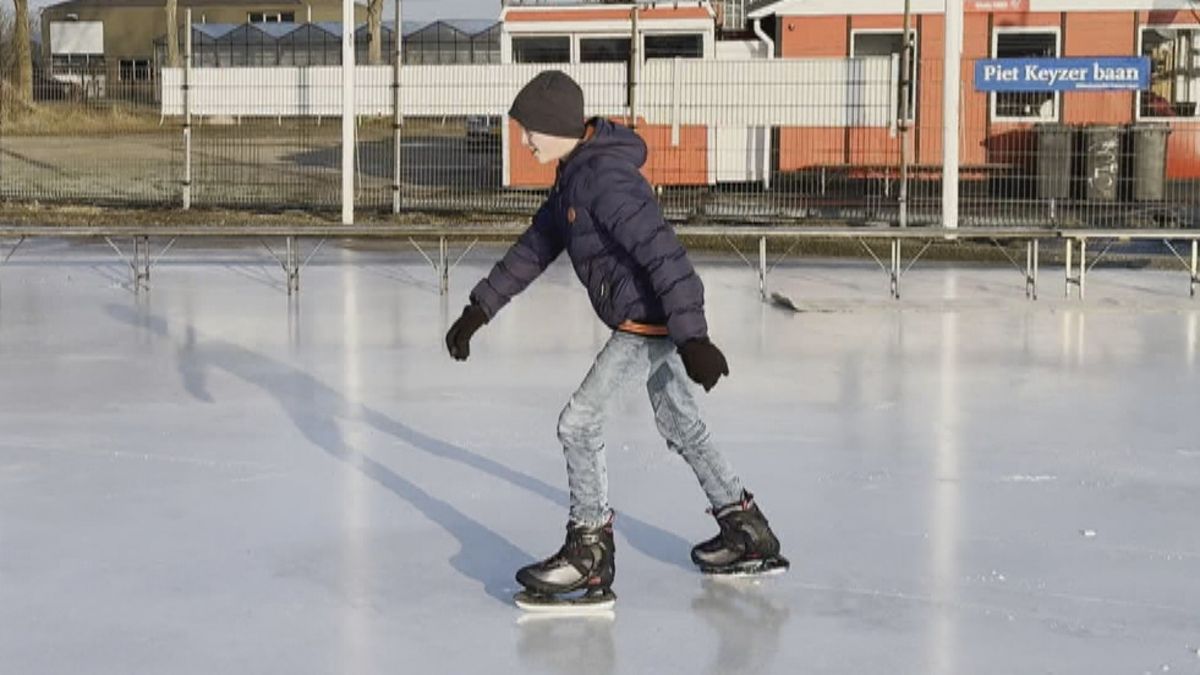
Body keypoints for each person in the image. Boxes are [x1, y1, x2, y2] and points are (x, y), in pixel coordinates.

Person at [445, 70, 787, 603]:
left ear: (558, 126)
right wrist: (479, 309)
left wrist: (693, 338)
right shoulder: (571, 180)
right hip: (644, 320)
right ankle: (747, 530)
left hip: (646, 324)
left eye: (531, 128)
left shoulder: (604, 177)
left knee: (577, 423)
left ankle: (589, 554)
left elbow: (663, 253)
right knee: (680, 422)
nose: (525, 139)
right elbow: (532, 251)